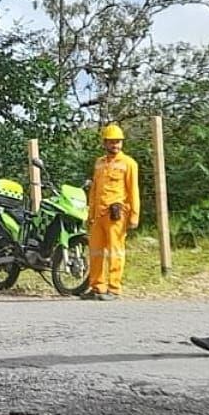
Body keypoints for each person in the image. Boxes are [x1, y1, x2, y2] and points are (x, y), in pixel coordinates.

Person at [86, 123, 140, 300]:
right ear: (105, 143)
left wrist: (134, 215)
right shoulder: (99, 163)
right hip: (98, 215)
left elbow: (133, 191)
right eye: (111, 142)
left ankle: (114, 289)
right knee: (95, 251)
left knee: (115, 251)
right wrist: (90, 213)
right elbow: (94, 190)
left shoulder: (128, 164)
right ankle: (97, 287)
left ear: (122, 143)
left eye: (117, 142)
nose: (114, 145)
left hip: (116, 214)